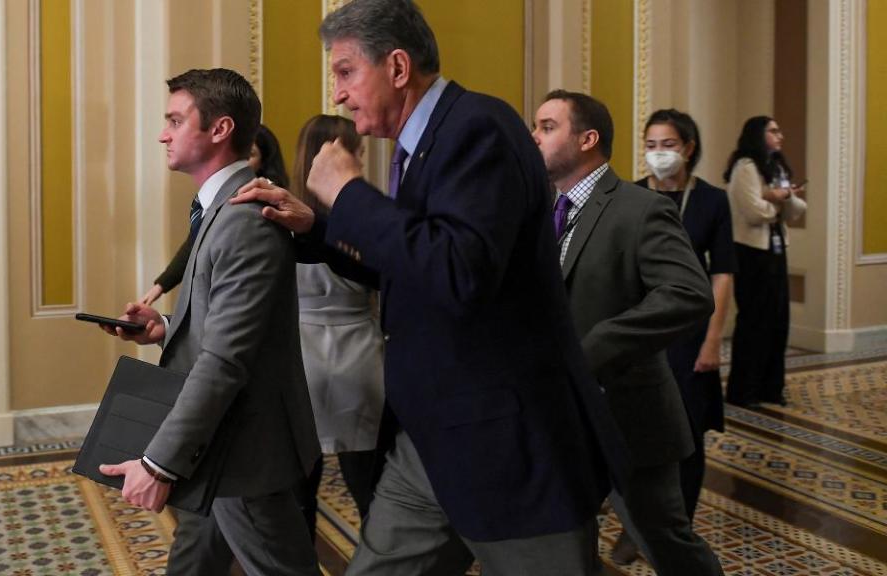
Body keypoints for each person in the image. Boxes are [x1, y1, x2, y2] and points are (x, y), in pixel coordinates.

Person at [232, 1, 628, 574]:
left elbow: (457, 271)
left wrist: (348, 194)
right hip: (431, 436)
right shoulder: (422, 144)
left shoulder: (478, 129)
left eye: (345, 72)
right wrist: (315, 227)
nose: (337, 94)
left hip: (506, 442)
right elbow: (414, 268)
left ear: (396, 67)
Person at [97, 68, 321, 576]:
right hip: (221, 443)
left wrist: (159, 464)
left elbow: (227, 359)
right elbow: (226, 329)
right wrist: (167, 327)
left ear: (219, 130)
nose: (163, 133)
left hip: (243, 448)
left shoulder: (243, 218)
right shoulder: (219, 206)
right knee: (194, 561)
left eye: (175, 120)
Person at [532, 91, 723, 576]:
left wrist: (592, 349)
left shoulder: (639, 208)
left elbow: (688, 292)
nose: (535, 137)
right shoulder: (544, 211)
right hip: (560, 418)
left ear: (587, 138)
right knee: (557, 540)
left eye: (548, 126)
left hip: (629, 415)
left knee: (666, 542)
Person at [605, 109, 736, 564]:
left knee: (688, 433)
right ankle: (635, 526)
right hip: (642, 328)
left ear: (688, 148)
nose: (657, 154)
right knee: (639, 427)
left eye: (667, 144)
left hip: (690, 330)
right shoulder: (630, 195)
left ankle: (676, 523)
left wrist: (713, 339)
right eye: (651, 144)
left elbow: (721, 274)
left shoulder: (712, 201)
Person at [292, 114, 384, 538]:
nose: (361, 164)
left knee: (299, 489)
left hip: (299, 356)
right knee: (370, 484)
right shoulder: (362, 218)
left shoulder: (280, 215)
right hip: (359, 356)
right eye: (357, 153)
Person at [140, 124, 289, 306]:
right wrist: (160, 286)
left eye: (249, 156)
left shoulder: (262, 207)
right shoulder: (218, 196)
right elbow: (194, 242)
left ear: (264, 163)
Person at [724, 116, 807, 408]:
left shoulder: (777, 166)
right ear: (757, 135)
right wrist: (777, 200)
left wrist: (781, 195)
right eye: (773, 131)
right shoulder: (744, 167)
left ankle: (771, 388)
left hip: (776, 249)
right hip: (751, 251)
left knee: (777, 320)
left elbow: (797, 209)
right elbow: (752, 211)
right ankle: (743, 390)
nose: (780, 135)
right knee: (754, 320)